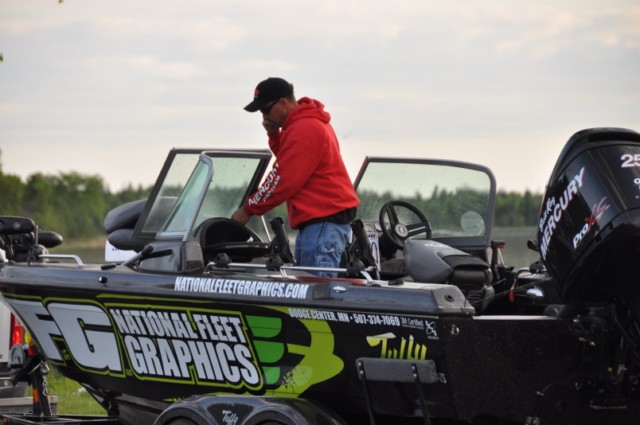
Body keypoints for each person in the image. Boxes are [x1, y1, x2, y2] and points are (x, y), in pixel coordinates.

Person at [231, 77, 359, 277]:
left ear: (283, 103)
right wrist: (274, 136)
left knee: (316, 291)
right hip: (319, 223)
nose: (264, 117)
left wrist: (247, 210)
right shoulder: (305, 124)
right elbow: (292, 161)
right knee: (306, 285)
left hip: (322, 223)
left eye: (265, 110)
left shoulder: (304, 128)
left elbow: (283, 178)